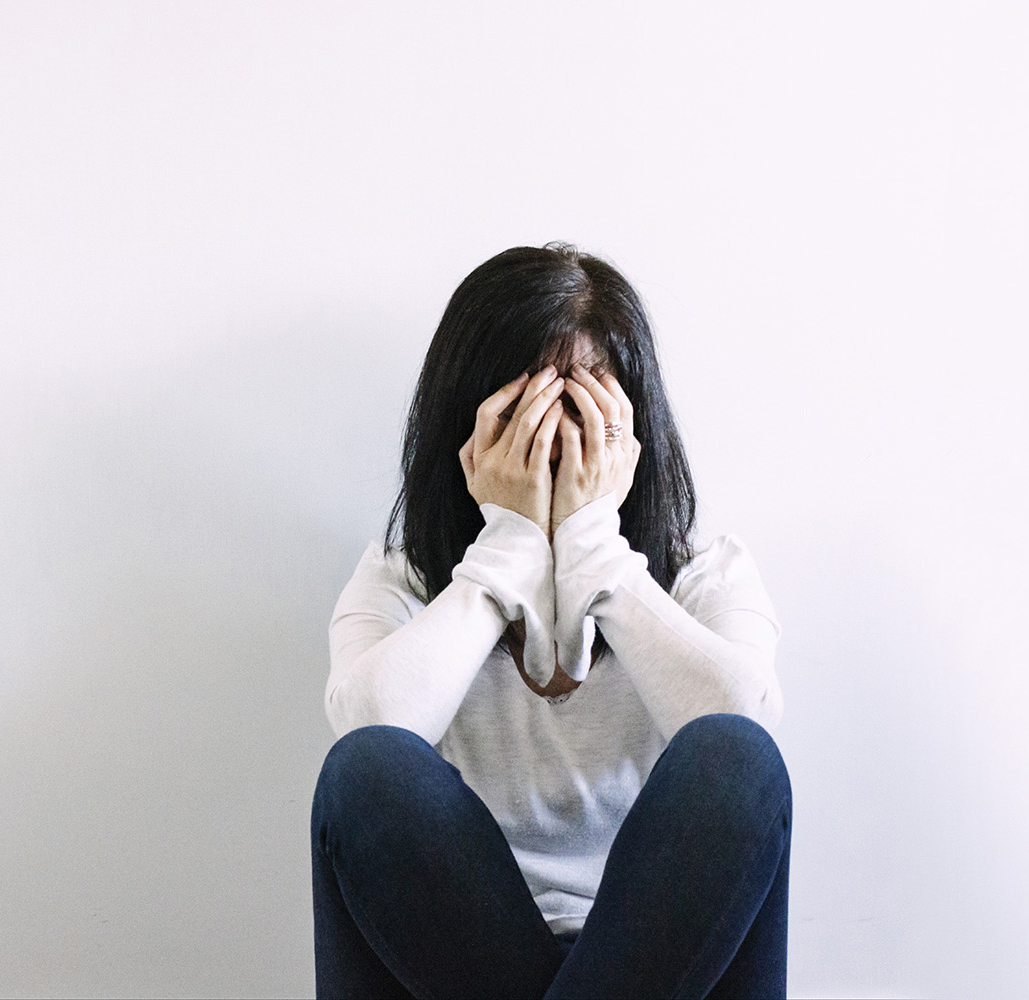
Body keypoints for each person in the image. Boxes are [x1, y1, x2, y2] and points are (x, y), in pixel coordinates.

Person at [311, 244, 790, 998]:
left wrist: (596, 551)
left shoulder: (708, 576)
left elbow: (746, 724)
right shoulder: (398, 582)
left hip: (664, 967)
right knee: (368, 771)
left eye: (585, 407)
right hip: (449, 965)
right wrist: (508, 546)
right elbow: (371, 726)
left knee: (735, 757)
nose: (557, 440)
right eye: (528, 411)